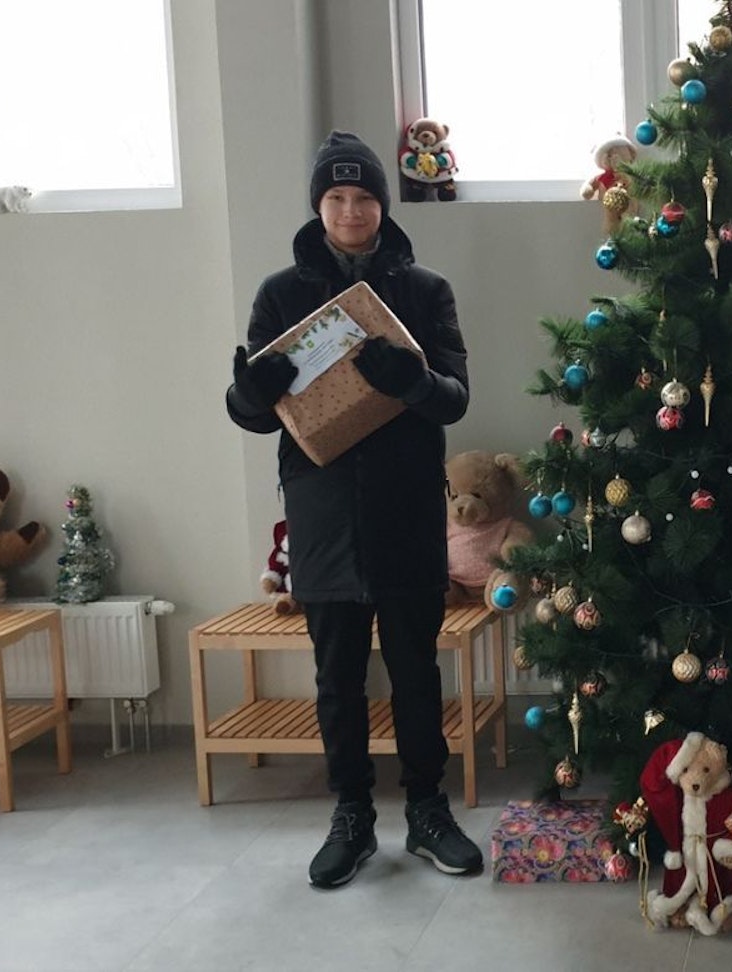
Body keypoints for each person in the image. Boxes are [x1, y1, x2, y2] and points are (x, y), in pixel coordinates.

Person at [225, 130, 481, 889]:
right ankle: (352, 817)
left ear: (382, 204)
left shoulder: (426, 290)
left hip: (405, 508)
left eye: (364, 197)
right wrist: (253, 387)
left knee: (414, 670)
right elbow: (250, 413)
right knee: (337, 676)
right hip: (323, 512)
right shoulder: (280, 293)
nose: (350, 210)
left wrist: (411, 380)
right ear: (319, 206)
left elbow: (456, 400)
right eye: (336, 198)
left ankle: (429, 811)